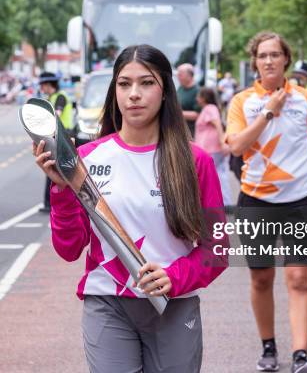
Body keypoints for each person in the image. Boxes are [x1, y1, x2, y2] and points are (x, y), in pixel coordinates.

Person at [33, 44, 228, 372]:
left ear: (165, 90)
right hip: (107, 304)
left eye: (146, 83)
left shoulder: (195, 161)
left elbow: (217, 248)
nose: (134, 94)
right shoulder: (88, 159)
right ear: (115, 91)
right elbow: (68, 249)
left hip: (173, 306)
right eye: (124, 84)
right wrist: (62, 189)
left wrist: (174, 276)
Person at [226, 31, 307, 373]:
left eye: (276, 54)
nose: (270, 60)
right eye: (263, 55)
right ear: (255, 62)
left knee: (299, 279)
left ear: (286, 59)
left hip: (300, 198)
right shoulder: (242, 101)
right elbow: (235, 146)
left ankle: (300, 355)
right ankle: (268, 347)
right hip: (256, 200)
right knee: (261, 278)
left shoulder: (306, 99)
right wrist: (269, 112)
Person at [38, 72, 72, 212]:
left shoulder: (60, 97)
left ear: (48, 85)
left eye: (43, 85)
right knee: (51, 169)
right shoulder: (51, 97)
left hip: (62, 138)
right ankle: (48, 203)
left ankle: (50, 203)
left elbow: (56, 116)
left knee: (55, 170)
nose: (41, 88)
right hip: (55, 137)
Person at [194, 87, 233, 206]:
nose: (197, 98)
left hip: (211, 149)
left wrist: (222, 142)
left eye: (199, 96)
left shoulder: (210, 108)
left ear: (204, 98)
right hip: (211, 149)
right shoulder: (208, 109)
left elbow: (217, 123)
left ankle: (221, 203)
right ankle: (225, 202)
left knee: (210, 175)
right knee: (219, 173)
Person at [176, 63, 200, 136]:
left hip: (191, 132)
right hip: (179, 130)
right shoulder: (180, 88)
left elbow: (198, 114)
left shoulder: (198, 91)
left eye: (180, 75)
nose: (177, 77)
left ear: (189, 76)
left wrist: (176, 113)